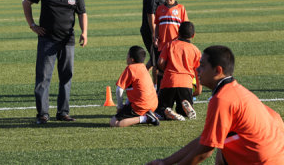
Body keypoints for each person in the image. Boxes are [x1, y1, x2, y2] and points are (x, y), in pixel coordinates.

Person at [148, 45, 284, 165]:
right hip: (274, 154)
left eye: (202, 65)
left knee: (221, 144)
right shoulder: (234, 90)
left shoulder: (222, 98)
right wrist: (165, 162)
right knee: (222, 142)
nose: (197, 69)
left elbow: (205, 150)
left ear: (217, 70)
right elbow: (205, 140)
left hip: (263, 159)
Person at [22, 0, 88, 124]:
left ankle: (63, 112)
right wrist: (32, 25)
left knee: (66, 76)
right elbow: (26, 2)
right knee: (43, 77)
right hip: (47, 40)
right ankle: (43, 114)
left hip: (67, 39)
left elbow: (82, 12)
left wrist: (84, 32)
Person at [155, 21, 201, 121]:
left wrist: (165, 70)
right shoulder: (195, 50)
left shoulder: (170, 45)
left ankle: (167, 111)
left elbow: (160, 62)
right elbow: (198, 71)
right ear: (193, 35)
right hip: (186, 84)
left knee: (160, 111)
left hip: (169, 81)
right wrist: (199, 88)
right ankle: (185, 111)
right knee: (182, 111)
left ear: (178, 33)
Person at [110, 46, 159, 127]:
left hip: (141, 105)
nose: (126, 57)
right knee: (127, 113)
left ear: (132, 59)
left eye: (127, 55)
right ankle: (148, 116)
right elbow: (135, 89)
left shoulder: (130, 68)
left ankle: (146, 119)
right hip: (153, 104)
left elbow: (119, 90)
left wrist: (120, 107)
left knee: (114, 122)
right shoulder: (143, 67)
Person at [141, 0, 166, 83]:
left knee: (154, 59)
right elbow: (150, 15)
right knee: (156, 61)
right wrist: (154, 34)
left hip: (157, 31)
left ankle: (137, 80)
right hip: (151, 31)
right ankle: (155, 87)